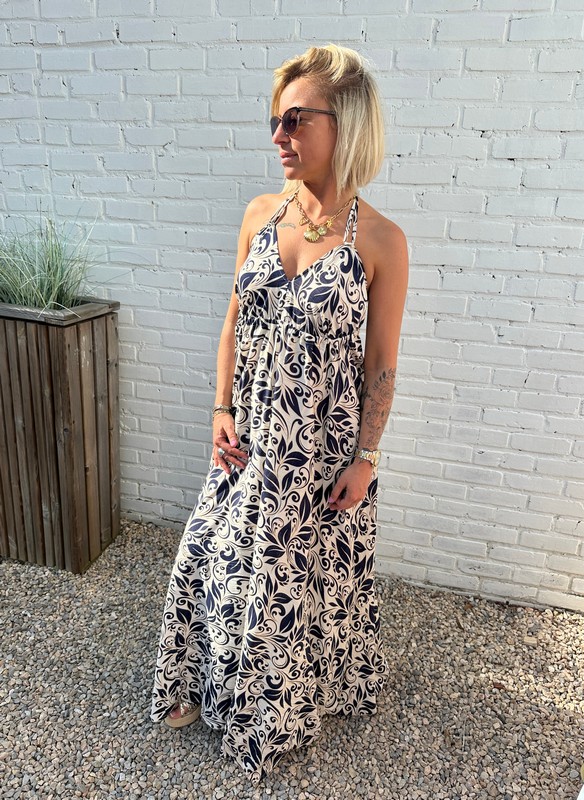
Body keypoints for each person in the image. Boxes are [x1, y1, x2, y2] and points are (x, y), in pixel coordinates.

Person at [151, 43, 409, 785]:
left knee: (287, 587)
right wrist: (220, 407)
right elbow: (234, 321)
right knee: (210, 557)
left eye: (295, 119)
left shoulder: (382, 242)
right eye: (274, 120)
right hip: (251, 435)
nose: (278, 136)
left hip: (320, 451)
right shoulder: (261, 214)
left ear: (345, 123)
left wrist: (367, 459)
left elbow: (380, 365)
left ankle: (275, 711)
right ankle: (199, 676)